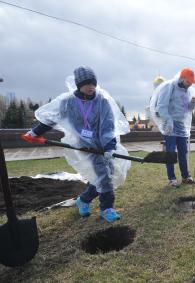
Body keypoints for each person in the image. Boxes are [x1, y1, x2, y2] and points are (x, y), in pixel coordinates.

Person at [22, 66, 131, 222]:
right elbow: (53, 118)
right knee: (104, 177)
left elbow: (108, 126)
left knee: (108, 175)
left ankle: (84, 199)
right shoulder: (68, 102)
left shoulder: (102, 101)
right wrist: (35, 133)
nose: (91, 87)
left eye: (93, 83)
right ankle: (107, 208)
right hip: (84, 146)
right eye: (87, 83)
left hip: (102, 145)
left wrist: (109, 147)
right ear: (79, 84)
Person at [150, 68, 195, 187]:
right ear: (182, 78)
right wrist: (168, 120)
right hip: (170, 123)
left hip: (180, 124)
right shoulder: (169, 86)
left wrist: (192, 104)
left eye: (192, 82)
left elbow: (185, 109)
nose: (190, 84)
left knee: (183, 152)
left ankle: (186, 177)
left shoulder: (187, 91)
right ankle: (172, 179)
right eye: (189, 81)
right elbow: (161, 107)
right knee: (171, 153)